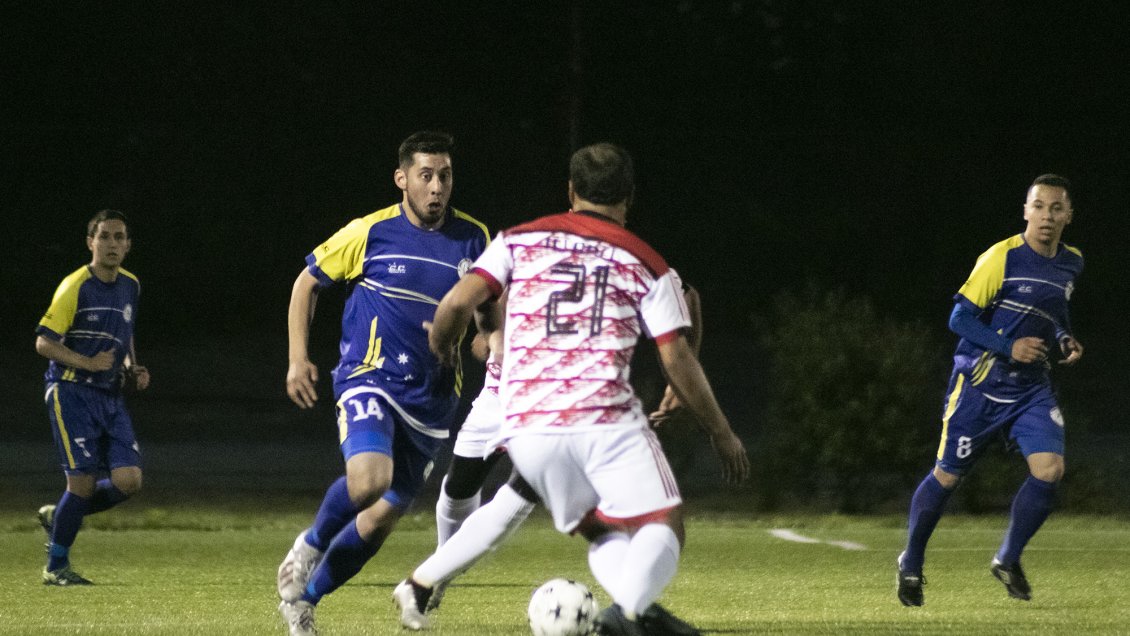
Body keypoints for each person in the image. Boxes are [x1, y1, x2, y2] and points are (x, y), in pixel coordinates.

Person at [411, 142, 749, 636]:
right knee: (663, 521)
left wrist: (442, 346)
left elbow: (459, 302)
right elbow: (677, 343)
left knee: (585, 522)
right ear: (629, 197)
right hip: (598, 415)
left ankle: (635, 611)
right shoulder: (642, 258)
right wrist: (720, 429)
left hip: (522, 418)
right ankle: (630, 610)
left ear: (570, 191)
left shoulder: (519, 240)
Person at [275, 131, 491, 636]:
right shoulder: (370, 232)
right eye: (426, 176)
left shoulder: (475, 240)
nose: (437, 187)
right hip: (368, 377)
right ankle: (307, 546)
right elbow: (306, 282)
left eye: (445, 175)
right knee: (369, 480)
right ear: (402, 180)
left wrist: (489, 349)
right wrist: (297, 358)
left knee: (379, 519)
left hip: (435, 399)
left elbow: (487, 330)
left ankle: (304, 602)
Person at [393, 283, 704, 633]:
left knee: (532, 503)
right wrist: (475, 339)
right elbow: (476, 307)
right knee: (462, 490)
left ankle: (635, 611)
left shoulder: (602, 257)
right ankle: (430, 575)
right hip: (517, 397)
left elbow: (685, 292)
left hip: (548, 402)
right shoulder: (532, 250)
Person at [897, 174, 1085, 607]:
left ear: (1068, 216)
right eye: (1039, 206)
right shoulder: (1000, 258)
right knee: (947, 476)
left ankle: (1007, 558)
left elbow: (1053, 313)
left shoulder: (1072, 262)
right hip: (980, 385)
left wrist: (1063, 339)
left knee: (1050, 470)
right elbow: (959, 320)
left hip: (1031, 389)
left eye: (1057, 208)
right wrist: (1008, 347)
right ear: (1025, 211)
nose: (1047, 216)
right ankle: (911, 562)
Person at [34, 209, 151, 586]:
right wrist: (86, 361)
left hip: (109, 395)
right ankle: (56, 567)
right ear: (91, 243)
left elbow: (125, 333)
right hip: (70, 391)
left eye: (119, 237)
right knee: (81, 485)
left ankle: (61, 517)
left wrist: (133, 365)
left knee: (129, 480)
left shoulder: (131, 284)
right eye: (105, 237)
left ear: (128, 245)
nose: (112, 244)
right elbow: (43, 342)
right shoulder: (75, 286)